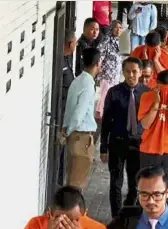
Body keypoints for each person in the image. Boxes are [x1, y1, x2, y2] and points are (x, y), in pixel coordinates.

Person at [100, 57, 149, 218]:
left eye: (134, 71)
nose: (131, 75)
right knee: (116, 182)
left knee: (135, 184)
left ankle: (129, 216)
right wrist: (103, 147)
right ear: (123, 72)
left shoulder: (147, 94)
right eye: (127, 71)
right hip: (118, 143)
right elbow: (106, 121)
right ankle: (116, 217)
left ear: (140, 72)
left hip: (139, 145)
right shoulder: (114, 92)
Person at [63, 48, 101, 188]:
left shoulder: (77, 80)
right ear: (98, 63)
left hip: (75, 136)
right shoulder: (88, 84)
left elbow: (69, 109)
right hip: (82, 138)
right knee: (76, 185)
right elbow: (79, 114)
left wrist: (66, 129)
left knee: (72, 180)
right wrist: (68, 131)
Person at [59, 30, 77, 187]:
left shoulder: (66, 59)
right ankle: (58, 181)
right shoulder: (60, 62)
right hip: (61, 112)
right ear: (71, 43)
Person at [96, 20, 123, 120]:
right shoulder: (106, 40)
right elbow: (100, 56)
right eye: (116, 27)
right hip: (106, 73)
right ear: (111, 28)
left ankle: (105, 113)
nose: (118, 30)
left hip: (115, 74)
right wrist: (97, 70)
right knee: (105, 94)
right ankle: (101, 115)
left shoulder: (119, 41)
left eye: (120, 28)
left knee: (110, 94)